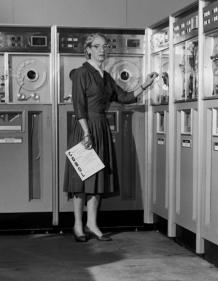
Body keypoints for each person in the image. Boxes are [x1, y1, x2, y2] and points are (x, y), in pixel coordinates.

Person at [63, 33, 157, 242]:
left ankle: (92, 224)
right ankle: (78, 225)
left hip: (102, 129)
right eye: (97, 46)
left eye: (104, 46)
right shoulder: (81, 73)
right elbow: (78, 106)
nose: (102, 50)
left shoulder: (105, 77)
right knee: (81, 179)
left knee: (97, 180)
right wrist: (86, 133)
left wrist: (145, 84)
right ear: (88, 49)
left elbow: (123, 97)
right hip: (85, 129)